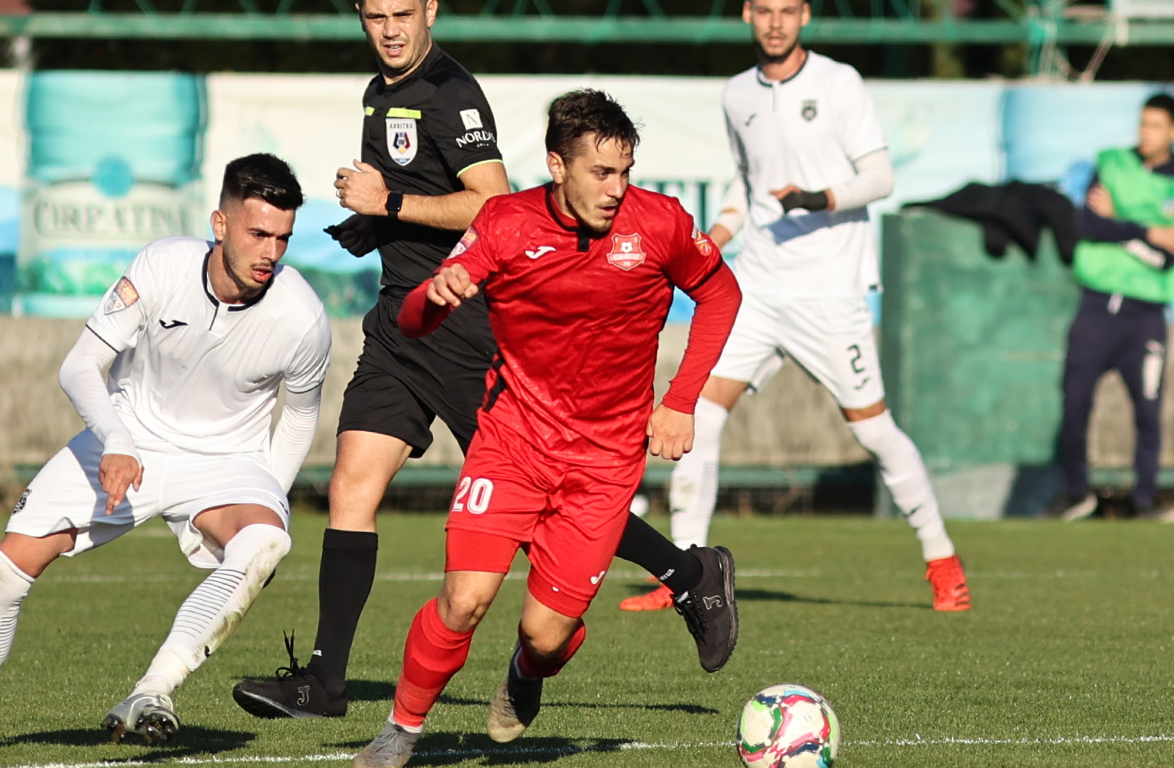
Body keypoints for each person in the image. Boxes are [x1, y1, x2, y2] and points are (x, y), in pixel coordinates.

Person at [232, 0, 737, 723]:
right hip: (400, 325)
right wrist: (375, 224)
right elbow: (417, 201)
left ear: (431, 8)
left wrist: (393, 202)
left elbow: (491, 204)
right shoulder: (384, 90)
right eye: (375, 15)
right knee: (351, 485)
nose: (391, 28)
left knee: (544, 504)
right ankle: (325, 682)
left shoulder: (450, 92)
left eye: (403, 12)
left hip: (469, 330)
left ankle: (691, 574)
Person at [349, 89, 744, 768]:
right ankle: (400, 730)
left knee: (546, 635)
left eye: (625, 172)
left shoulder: (660, 223)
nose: (617, 189)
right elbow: (413, 322)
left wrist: (681, 402)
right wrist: (431, 297)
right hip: (511, 444)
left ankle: (525, 675)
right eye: (601, 173)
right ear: (557, 165)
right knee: (465, 598)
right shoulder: (504, 223)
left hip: (604, 464)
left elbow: (720, 292)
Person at [0, 154, 331, 758]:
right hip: (126, 435)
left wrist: (270, 497)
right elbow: (79, 366)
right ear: (220, 222)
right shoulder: (161, 265)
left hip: (226, 462)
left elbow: (301, 415)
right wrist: (118, 443)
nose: (270, 253)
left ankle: (153, 690)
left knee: (267, 542)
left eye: (282, 238)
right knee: (2, 572)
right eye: (257, 233)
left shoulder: (302, 317)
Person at [627, 0, 972, 614]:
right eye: (764, 10)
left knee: (874, 432)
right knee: (698, 418)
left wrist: (819, 196)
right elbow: (746, 184)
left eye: (788, 10)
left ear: (805, 15)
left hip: (829, 293)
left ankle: (942, 560)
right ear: (746, 15)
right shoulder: (737, 94)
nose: (776, 21)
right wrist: (718, 237)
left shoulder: (839, 82)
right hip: (758, 289)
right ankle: (681, 570)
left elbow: (881, 176)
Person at [1055, 93, 1174, 523]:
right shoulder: (1111, 162)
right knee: (1074, 401)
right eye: (1143, 124)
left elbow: (1168, 255)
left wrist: (1119, 222)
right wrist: (1144, 228)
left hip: (1145, 316)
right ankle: (1075, 494)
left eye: (1156, 126)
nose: (1146, 133)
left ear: (1172, 132)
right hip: (1095, 307)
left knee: (1147, 409)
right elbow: (1088, 223)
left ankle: (1144, 501)